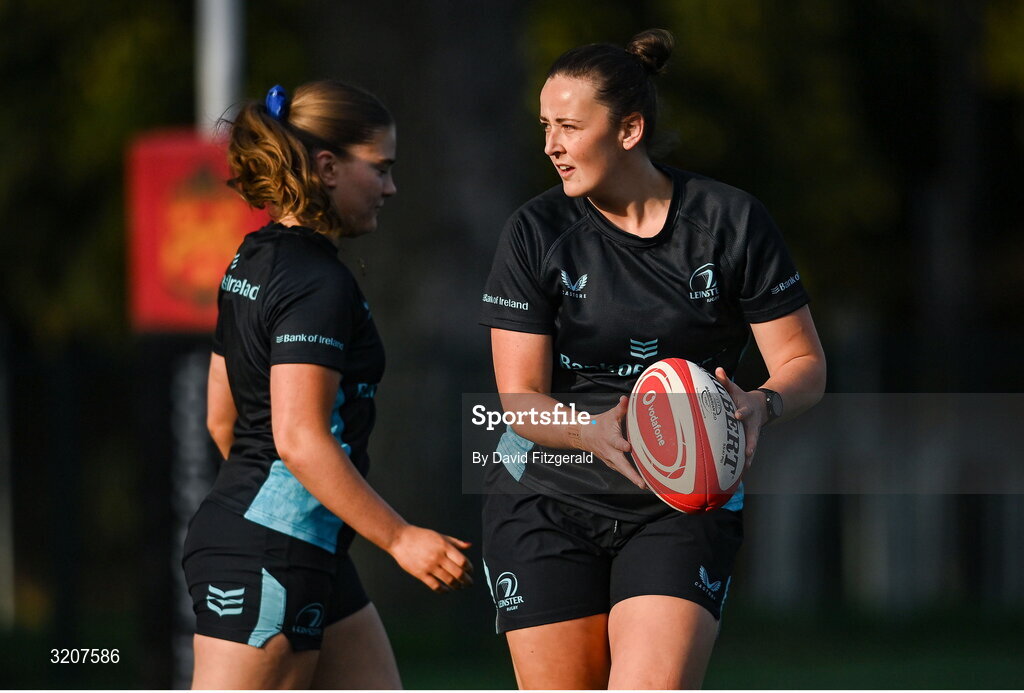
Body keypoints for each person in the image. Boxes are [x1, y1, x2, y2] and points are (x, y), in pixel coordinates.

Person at [478, 29, 826, 689]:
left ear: (630, 129)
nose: (550, 144)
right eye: (545, 125)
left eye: (570, 126)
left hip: (684, 500)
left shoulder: (729, 222)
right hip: (547, 496)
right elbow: (517, 399)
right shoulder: (536, 232)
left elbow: (805, 363)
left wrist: (761, 402)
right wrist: (592, 430)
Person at [183, 80, 473, 690]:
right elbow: (298, 437)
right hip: (271, 556)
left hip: (294, 546)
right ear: (327, 166)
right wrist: (400, 538)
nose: (391, 188)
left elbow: (221, 418)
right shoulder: (318, 283)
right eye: (382, 168)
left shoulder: (251, 257)